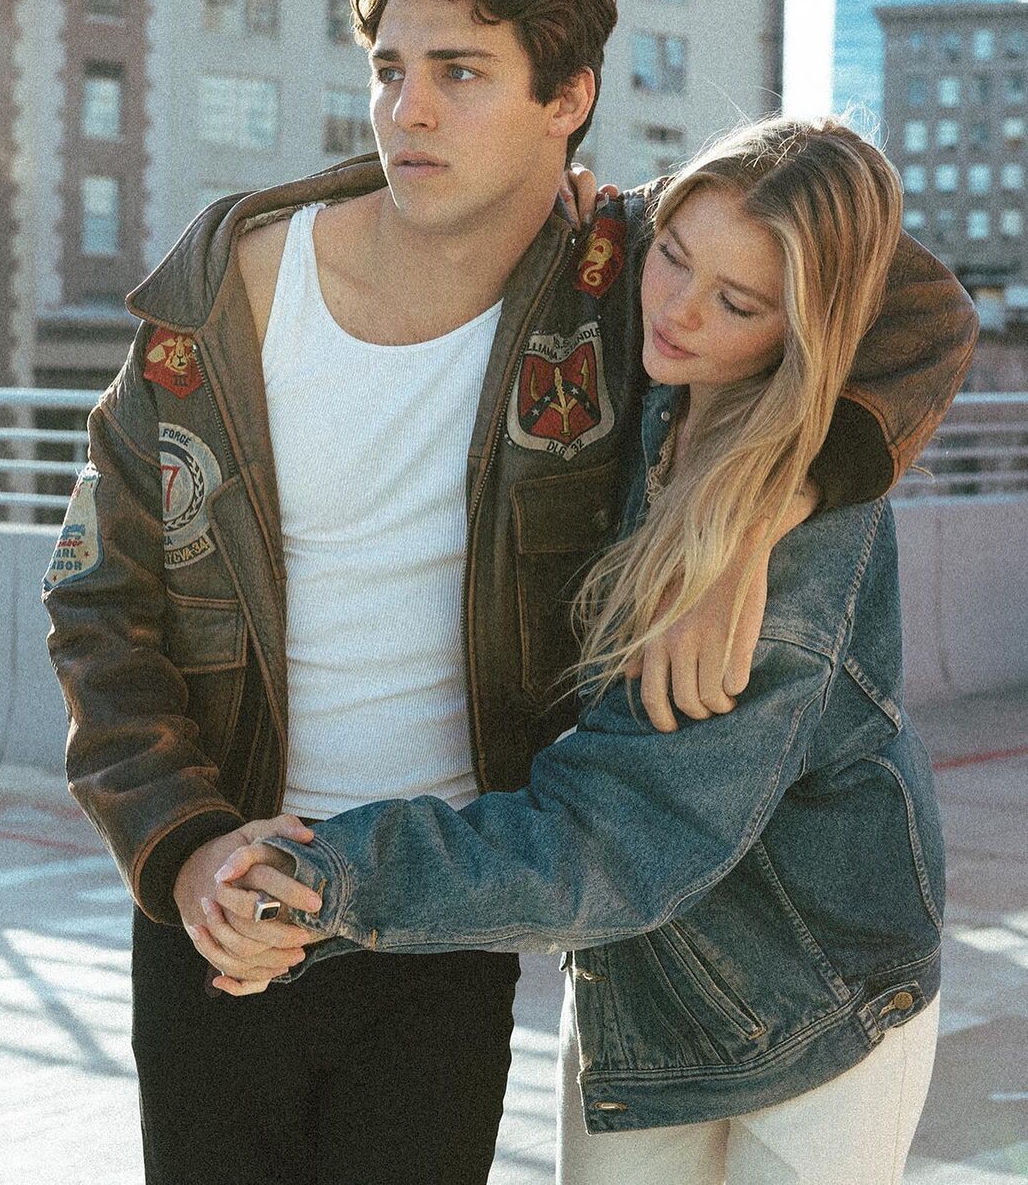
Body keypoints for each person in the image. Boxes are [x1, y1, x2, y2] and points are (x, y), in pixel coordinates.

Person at [42, 0, 975, 1185]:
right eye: (389, 70)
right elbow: (99, 601)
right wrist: (187, 840)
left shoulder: (626, 277)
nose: (407, 111)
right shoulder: (221, 297)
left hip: (449, 911)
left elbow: (903, 295)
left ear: (568, 98)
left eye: (461, 72)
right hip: (227, 893)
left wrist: (773, 503)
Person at [222, 117, 953, 1185]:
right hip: (643, 993)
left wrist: (331, 876)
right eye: (672, 258)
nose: (677, 311)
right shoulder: (661, 380)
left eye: (738, 304)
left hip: (817, 1003)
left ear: (809, 326)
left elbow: (612, 839)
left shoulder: (801, 562)